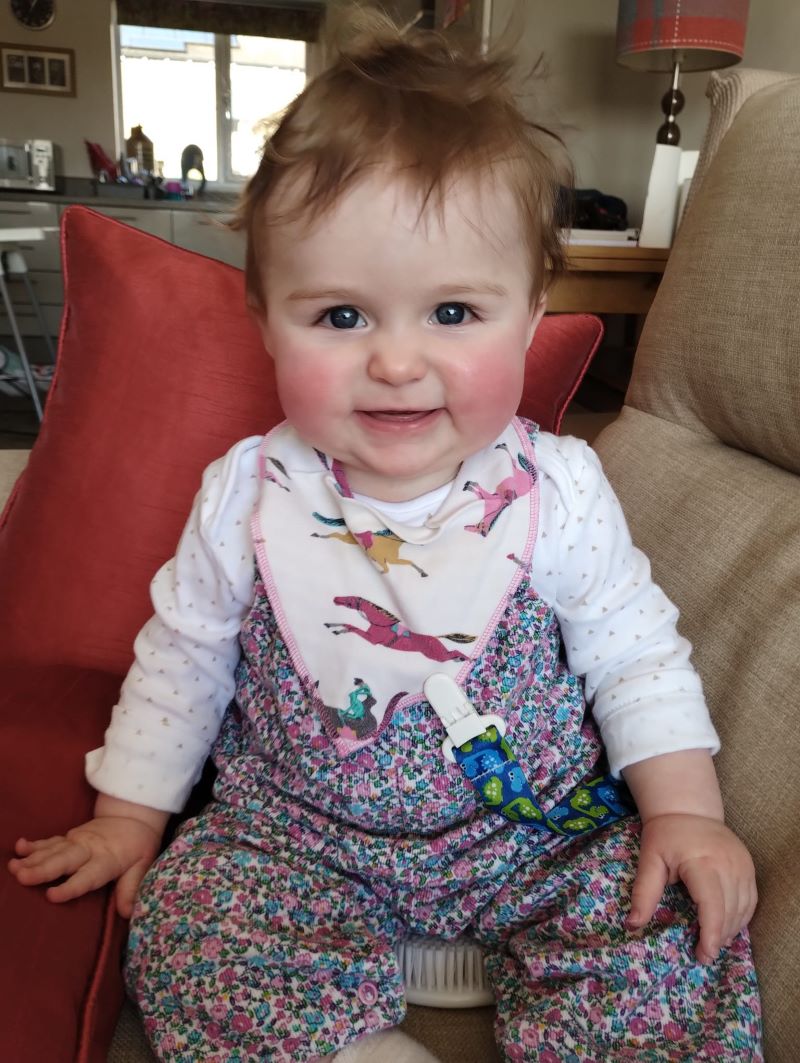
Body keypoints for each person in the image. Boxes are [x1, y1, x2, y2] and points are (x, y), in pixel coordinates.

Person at [8, 10, 762, 1062]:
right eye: (341, 317)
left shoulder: (561, 489)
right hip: (294, 843)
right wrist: (131, 814)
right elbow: (181, 660)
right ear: (265, 318)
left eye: (453, 312)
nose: (398, 363)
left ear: (529, 310)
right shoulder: (246, 490)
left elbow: (633, 651)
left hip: (531, 834)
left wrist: (685, 809)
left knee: (660, 918)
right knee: (183, 922)